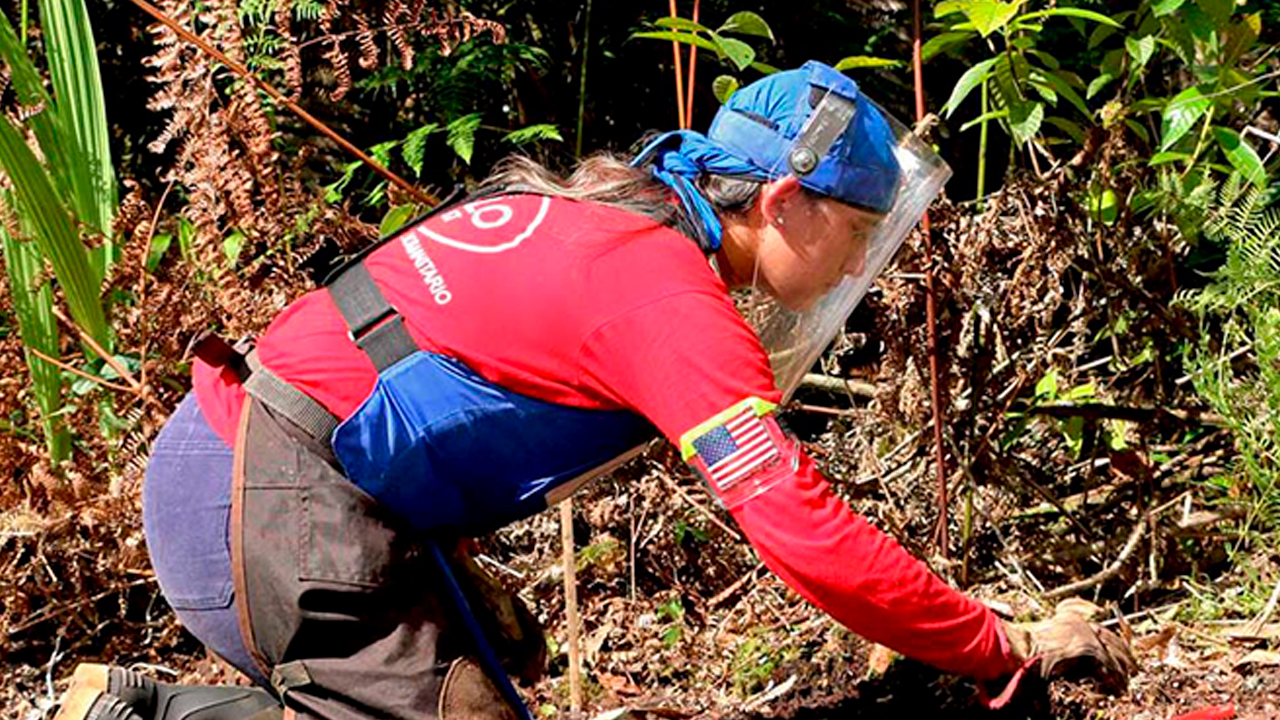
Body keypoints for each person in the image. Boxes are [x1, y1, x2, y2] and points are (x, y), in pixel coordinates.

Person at [55, 61, 1133, 720]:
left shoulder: (614, 215)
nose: (855, 268)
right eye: (854, 236)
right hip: (256, 507)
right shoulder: (665, 297)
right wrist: (993, 644)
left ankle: (136, 708)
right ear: (786, 200)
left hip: (238, 461)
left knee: (503, 653)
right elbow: (802, 537)